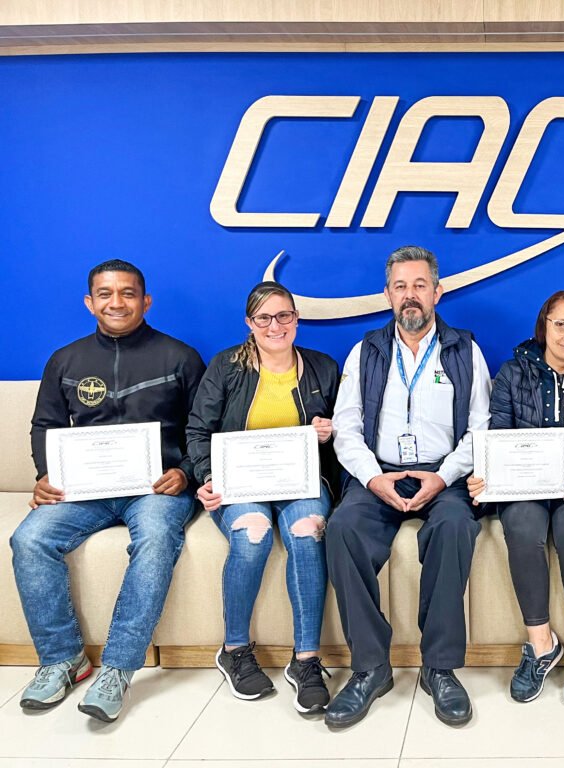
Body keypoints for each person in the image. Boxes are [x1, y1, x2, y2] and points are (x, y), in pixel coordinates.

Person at [12, 259, 204, 722]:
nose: (116, 302)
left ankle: (117, 669)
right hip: (84, 490)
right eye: (105, 294)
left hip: (157, 488)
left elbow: (204, 428)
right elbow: (46, 425)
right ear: (89, 301)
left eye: (127, 293)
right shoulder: (66, 360)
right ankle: (62, 659)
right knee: (28, 539)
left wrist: (186, 473)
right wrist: (46, 474)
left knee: (157, 539)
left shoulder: (181, 357)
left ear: (146, 300)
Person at [325, 245, 491, 728]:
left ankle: (439, 668)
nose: (410, 296)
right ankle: (371, 668)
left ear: (437, 292)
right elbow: (346, 426)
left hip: (445, 474)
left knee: (456, 527)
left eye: (420, 285)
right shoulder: (367, 351)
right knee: (343, 529)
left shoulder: (464, 350)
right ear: (387, 294)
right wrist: (374, 478)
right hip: (381, 472)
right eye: (400, 286)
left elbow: (480, 429)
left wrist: (443, 477)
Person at [187, 281, 340, 715]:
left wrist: (330, 433)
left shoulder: (323, 368)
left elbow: (348, 433)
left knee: (307, 530)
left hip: (301, 484)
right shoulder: (226, 367)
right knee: (252, 531)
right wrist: (208, 477)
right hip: (240, 485)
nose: (276, 326)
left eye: (284, 316)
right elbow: (199, 431)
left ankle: (306, 660)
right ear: (249, 323)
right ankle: (234, 649)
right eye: (264, 318)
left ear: (297, 318)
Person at [467, 290, 564, 706]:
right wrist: (486, 477)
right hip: (525, 488)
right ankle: (541, 645)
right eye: (561, 325)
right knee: (522, 528)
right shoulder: (513, 373)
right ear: (544, 325)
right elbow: (497, 435)